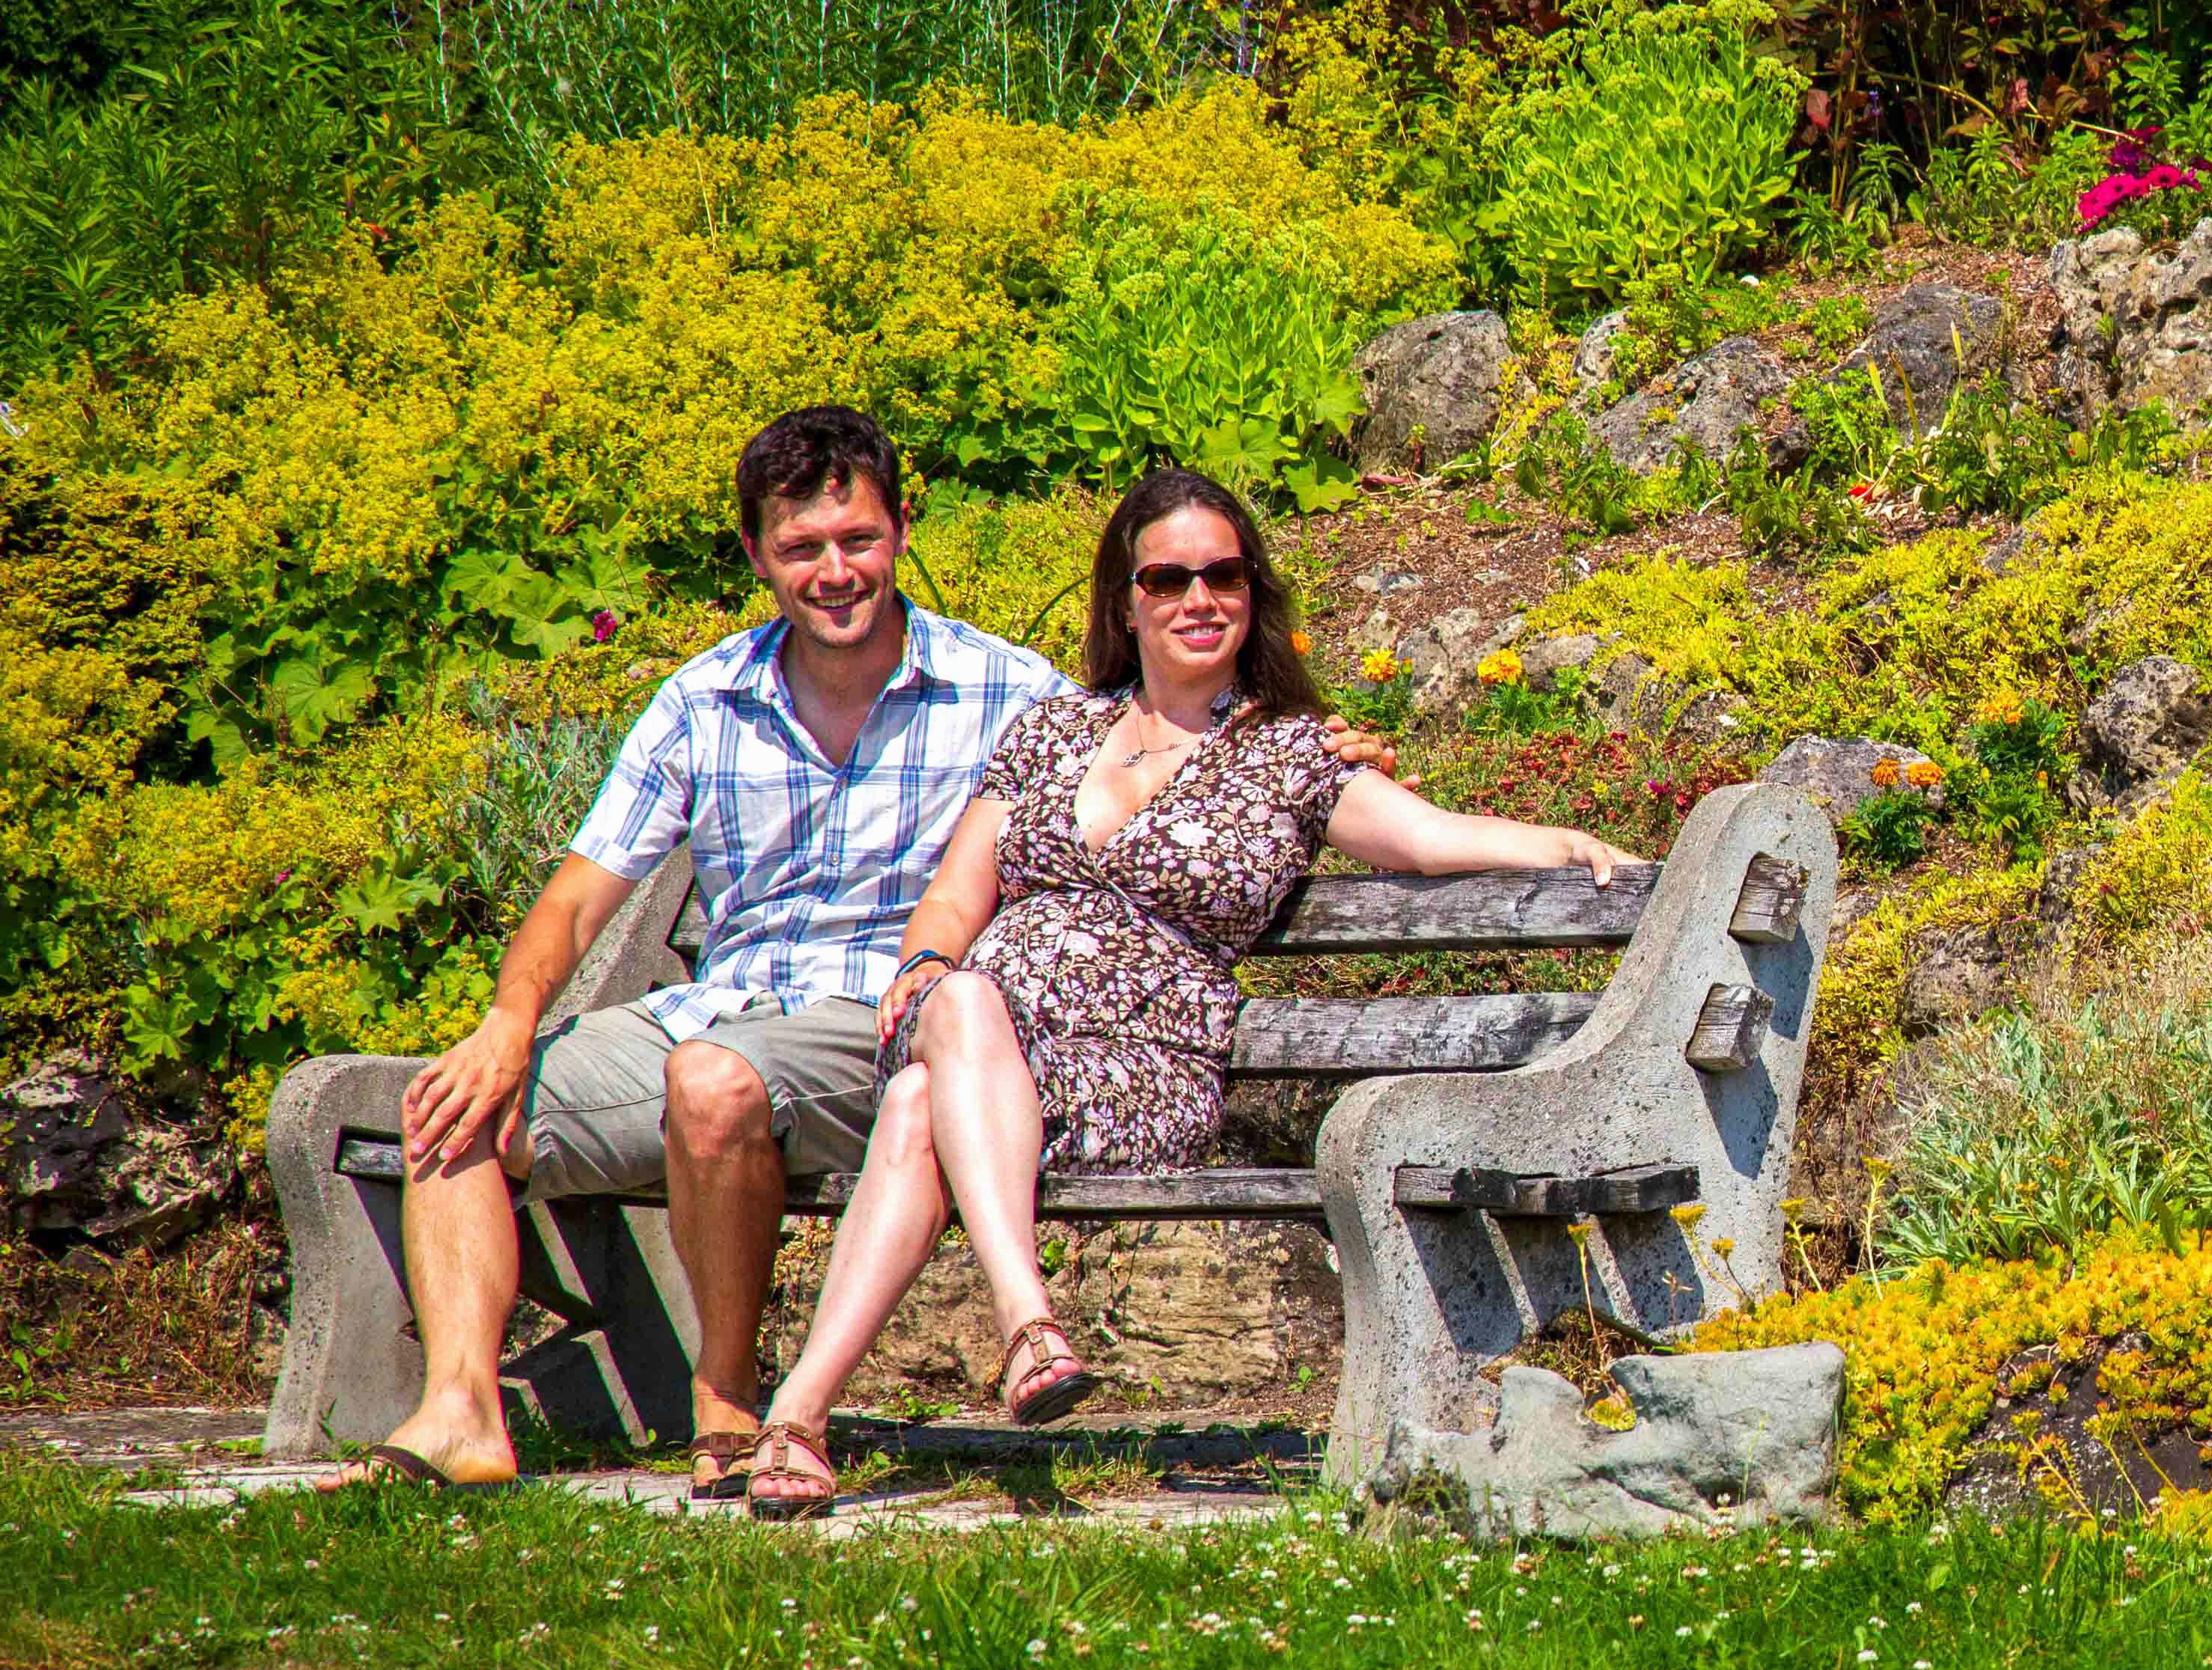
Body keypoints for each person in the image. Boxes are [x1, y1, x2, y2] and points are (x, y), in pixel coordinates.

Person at [325, 409, 1394, 1491]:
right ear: (756, 555)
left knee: (713, 1082)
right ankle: (461, 1411)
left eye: (858, 540)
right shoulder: (702, 701)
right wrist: (507, 1031)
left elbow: (1155, 738)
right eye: (801, 548)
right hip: (710, 1010)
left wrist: (1318, 745)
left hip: (873, 1023)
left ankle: (728, 1401)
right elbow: (575, 899)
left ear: (901, 531)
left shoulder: (1004, 691)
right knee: (450, 1100)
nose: (834, 572)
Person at [736, 468, 1632, 1517]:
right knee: (947, 1036)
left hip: (1142, 1062)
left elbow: (1431, 842)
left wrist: (1565, 841)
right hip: (985, 1042)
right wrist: (928, 969)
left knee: (922, 1088)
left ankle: (885, 1382)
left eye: (1224, 574)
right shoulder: (1050, 734)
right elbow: (951, 904)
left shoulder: (1289, 754)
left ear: (1253, 595)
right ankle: (886, 1387)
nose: (1199, 598)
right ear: (1128, 599)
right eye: (1169, 577)